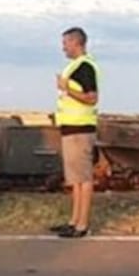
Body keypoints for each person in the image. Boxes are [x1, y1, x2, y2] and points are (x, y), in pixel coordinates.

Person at [50, 27, 100, 238]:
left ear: (76, 42)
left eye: (65, 43)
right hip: (71, 128)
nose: (63, 48)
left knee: (83, 178)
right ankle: (74, 221)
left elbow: (91, 97)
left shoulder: (85, 67)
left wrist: (66, 89)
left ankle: (82, 225)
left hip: (81, 129)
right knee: (75, 179)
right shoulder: (74, 66)